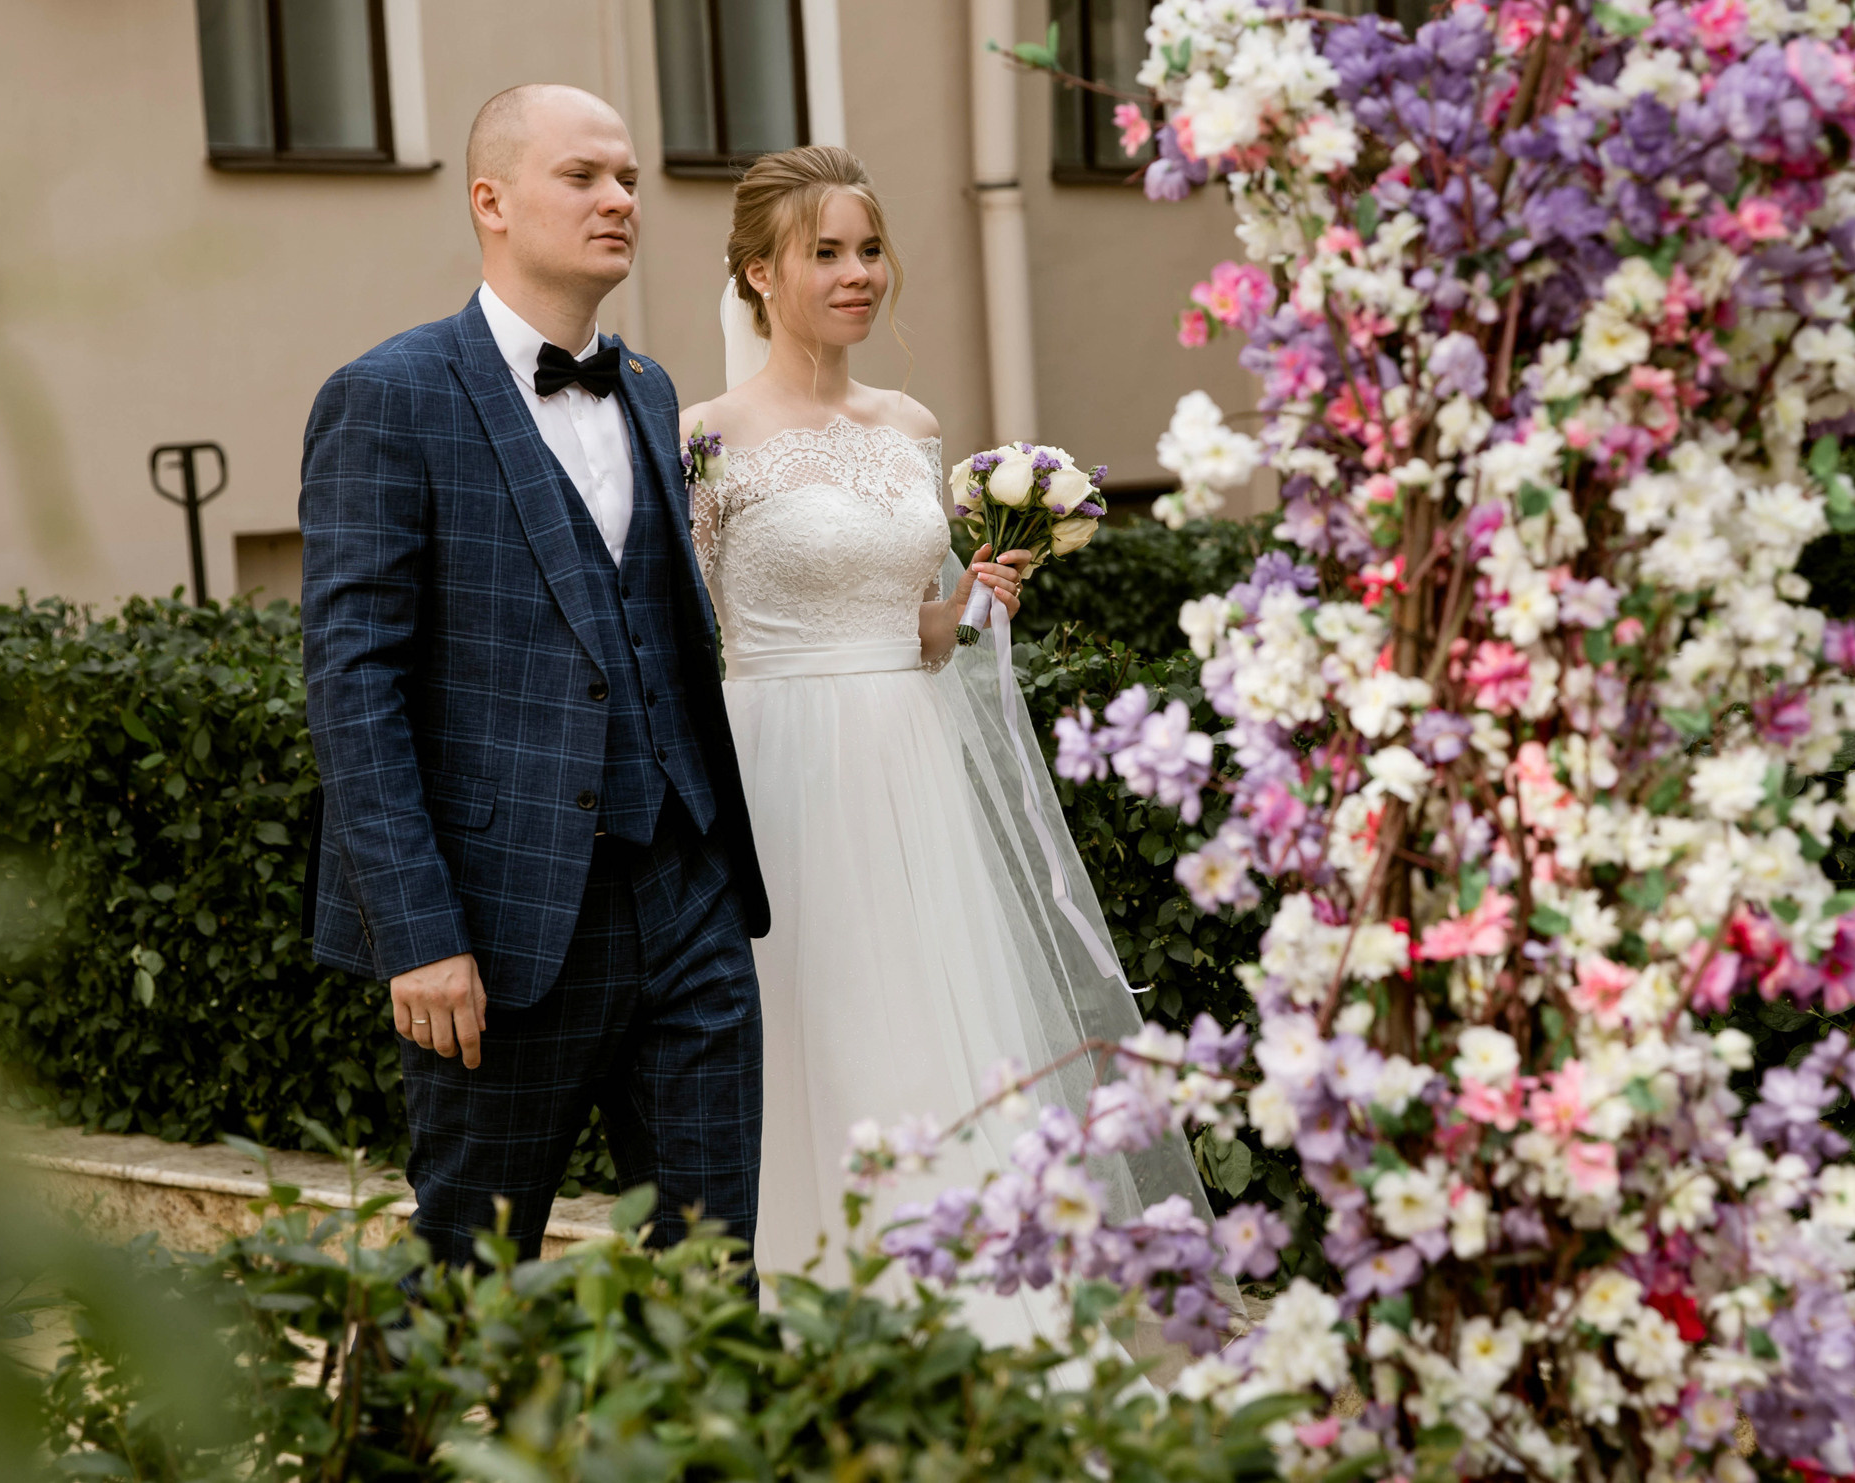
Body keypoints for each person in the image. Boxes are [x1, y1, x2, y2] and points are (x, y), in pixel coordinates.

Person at [681, 145, 1215, 1337]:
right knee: (811, 1028)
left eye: (869, 249)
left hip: (908, 763)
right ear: (761, 275)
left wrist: (971, 604)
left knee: (922, 1018)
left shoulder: (908, 424)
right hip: (779, 765)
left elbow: (909, 627)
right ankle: (807, 1310)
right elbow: (688, 635)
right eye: (826, 253)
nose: (859, 273)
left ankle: (965, 1316)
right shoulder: (705, 436)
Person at [298, 84, 771, 1268]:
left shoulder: (652, 389)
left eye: (627, 178)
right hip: (501, 932)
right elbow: (354, 687)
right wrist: (416, 933)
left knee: (711, 1271)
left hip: (688, 897)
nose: (620, 199)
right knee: (465, 1279)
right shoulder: (387, 399)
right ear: (490, 201)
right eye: (584, 176)